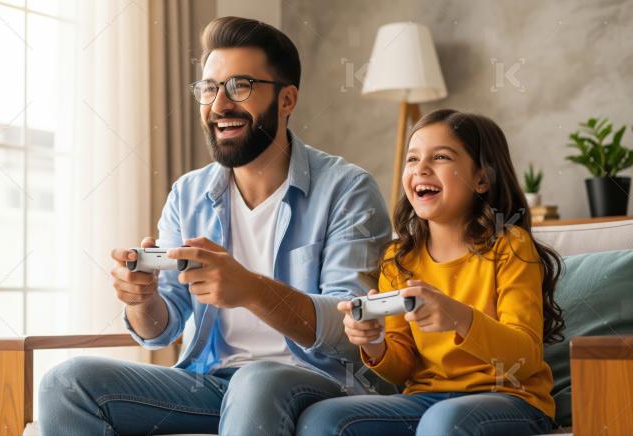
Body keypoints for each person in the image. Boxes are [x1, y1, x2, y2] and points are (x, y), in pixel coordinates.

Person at [38, 16, 393, 435]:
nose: (220, 105)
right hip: (210, 384)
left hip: (317, 386)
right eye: (209, 88)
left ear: (286, 100)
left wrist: (252, 289)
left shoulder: (347, 190)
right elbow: (160, 329)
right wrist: (141, 299)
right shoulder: (188, 194)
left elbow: (350, 331)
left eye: (240, 87)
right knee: (67, 383)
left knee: (258, 378)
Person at [297, 109, 564, 435]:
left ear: (481, 178)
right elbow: (402, 367)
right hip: (427, 399)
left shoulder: (510, 246)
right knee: (322, 419)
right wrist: (376, 343)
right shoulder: (399, 258)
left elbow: (525, 358)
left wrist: (457, 317)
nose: (421, 168)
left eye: (440, 157)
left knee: (444, 421)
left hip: (509, 398)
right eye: (412, 159)